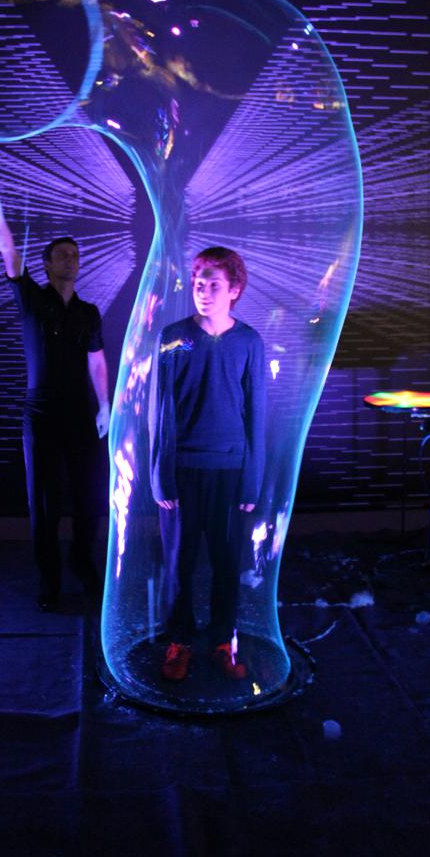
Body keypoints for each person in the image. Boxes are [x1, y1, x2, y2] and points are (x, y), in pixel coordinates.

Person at [0, 177, 110, 610]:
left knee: (89, 498)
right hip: (41, 413)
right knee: (45, 502)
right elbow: (9, 254)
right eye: (63, 255)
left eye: (75, 255)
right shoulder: (33, 299)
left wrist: (105, 404)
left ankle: (83, 563)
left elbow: (97, 361)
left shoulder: (88, 312)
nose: (71, 259)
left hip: (81, 414)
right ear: (48, 265)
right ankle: (48, 579)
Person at [151, 247, 265, 682]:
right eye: (199, 284)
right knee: (178, 562)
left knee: (226, 561)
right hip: (182, 469)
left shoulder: (249, 342)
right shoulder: (174, 337)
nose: (203, 292)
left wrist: (252, 481)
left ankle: (223, 639)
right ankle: (179, 641)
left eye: (214, 284)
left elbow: (256, 414)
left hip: (230, 471)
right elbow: (162, 409)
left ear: (234, 290)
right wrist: (161, 474)